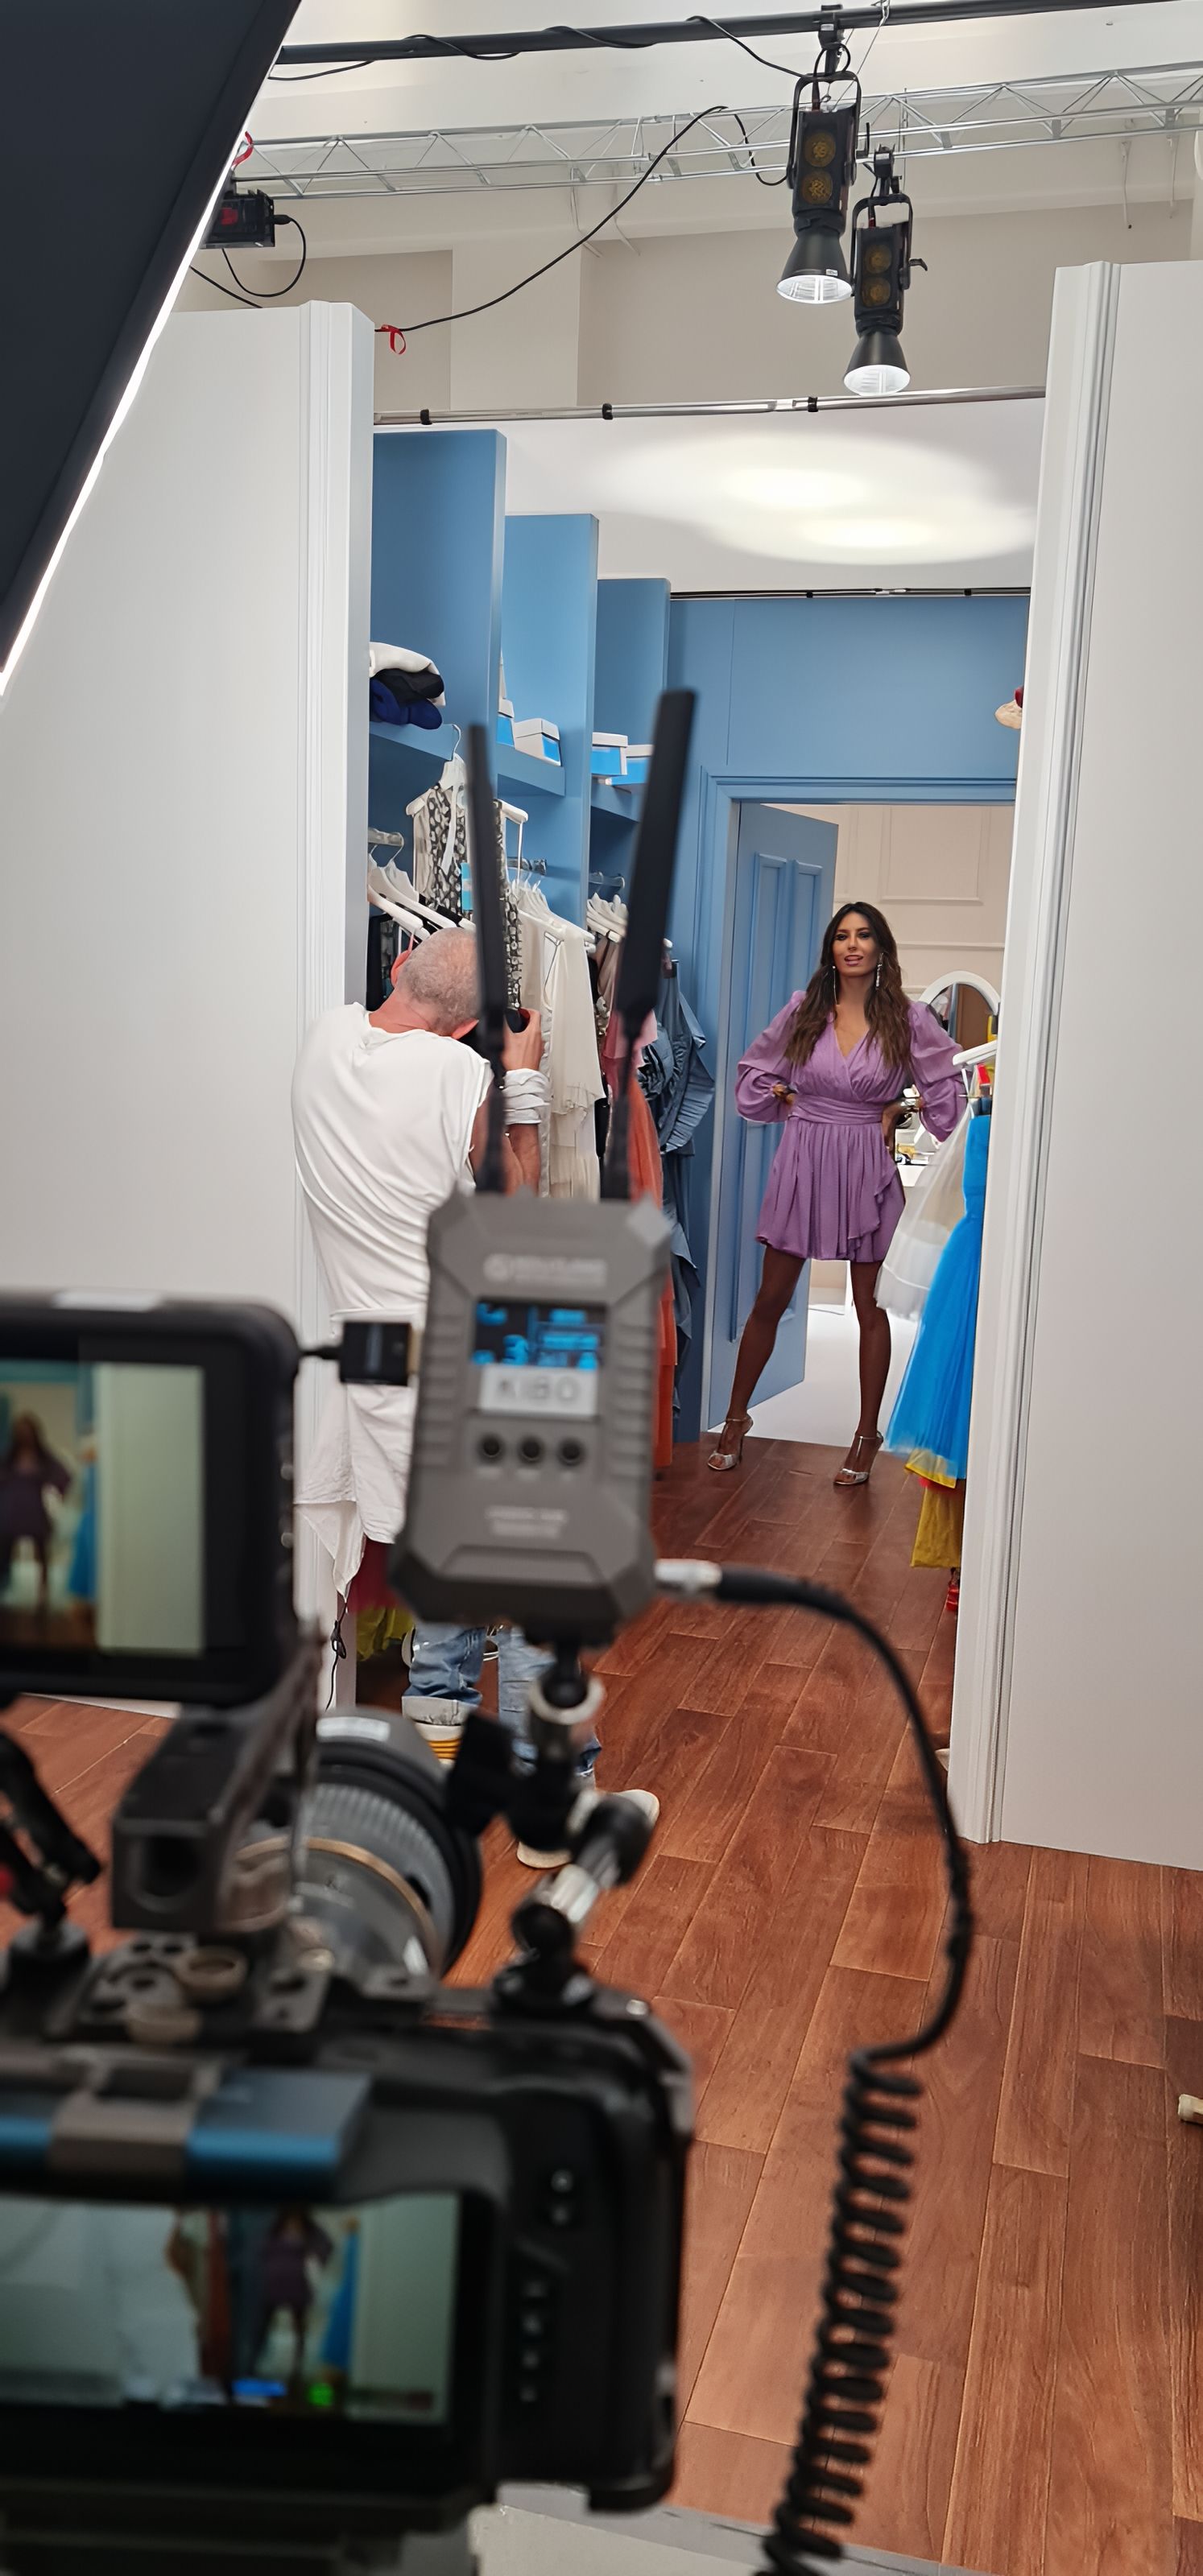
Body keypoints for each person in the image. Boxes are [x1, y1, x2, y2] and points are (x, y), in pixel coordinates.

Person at [292, 928, 635, 1865]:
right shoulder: (460, 1085)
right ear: (478, 1024)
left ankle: (439, 1769)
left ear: (397, 968)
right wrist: (517, 1082)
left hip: (375, 1378)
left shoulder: (322, 1045)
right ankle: (548, 1801)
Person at [709, 902, 963, 1489]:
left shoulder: (909, 1017)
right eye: (843, 936)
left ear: (880, 949)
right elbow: (753, 1074)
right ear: (831, 949)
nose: (853, 945)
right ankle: (735, 1416)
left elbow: (948, 1086)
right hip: (804, 1157)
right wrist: (785, 1097)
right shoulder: (805, 1010)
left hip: (865, 1166)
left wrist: (902, 1109)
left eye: (864, 935)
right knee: (770, 1297)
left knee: (869, 1310)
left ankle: (866, 1431)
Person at [0, 1412, 72, 1608]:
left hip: (34, 1509)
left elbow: (64, 1475)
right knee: (5, 1550)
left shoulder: (43, 1457)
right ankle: (5, 1588)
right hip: (11, 1509)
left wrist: (58, 1491)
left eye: (27, 1432)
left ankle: (43, 1592)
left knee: (42, 1551)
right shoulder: (9, 1457)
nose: (24, 1436)